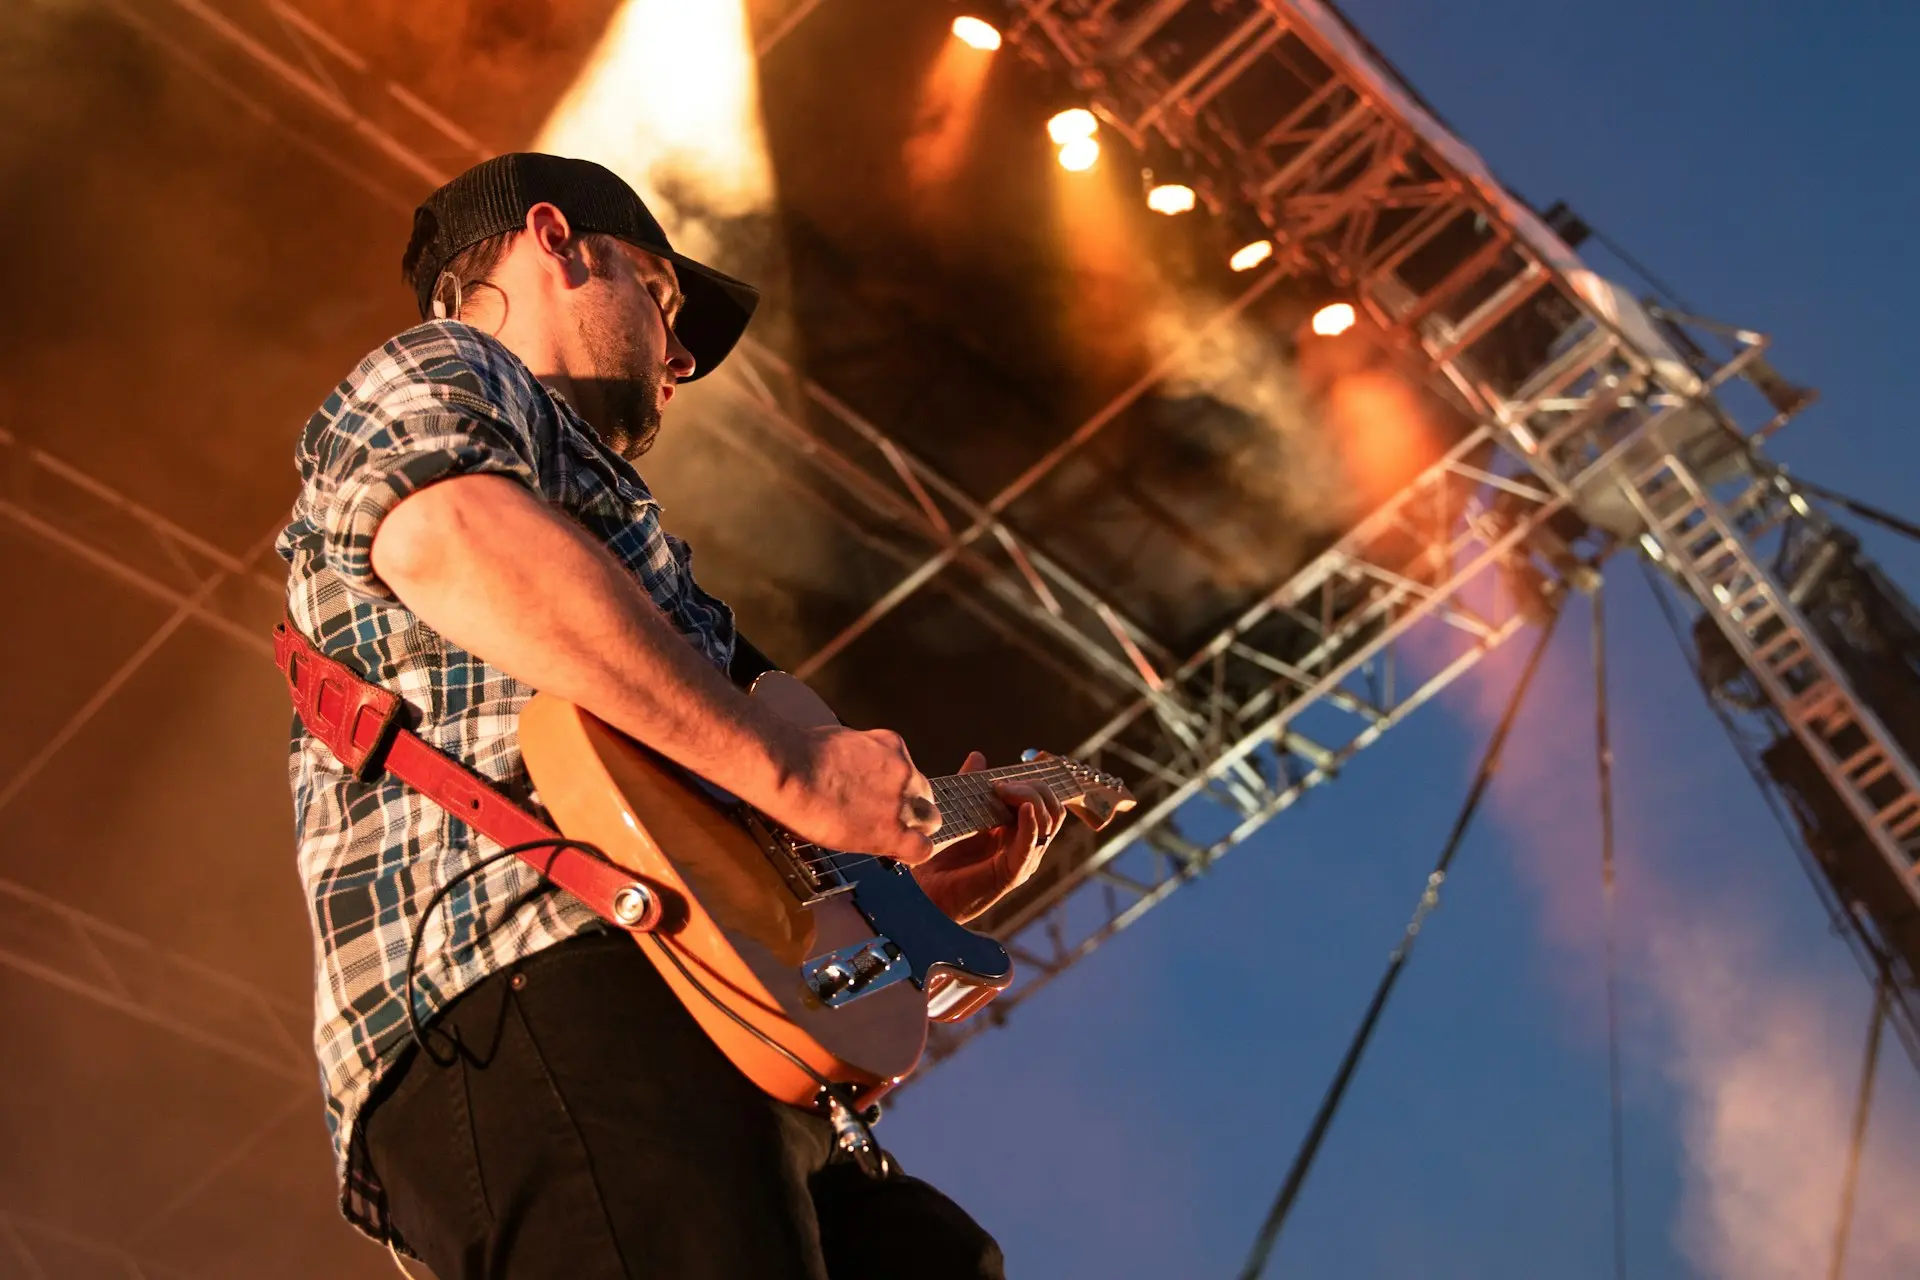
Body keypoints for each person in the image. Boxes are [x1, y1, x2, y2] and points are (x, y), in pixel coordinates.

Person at [276, 153, 1063, 1279]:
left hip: (690, 1012)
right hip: (530, 984)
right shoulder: (448, 362)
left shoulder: (618, 541)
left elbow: (710, 838)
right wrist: (794, 770)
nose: (681, 352)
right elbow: (442, 534)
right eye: (661, 293)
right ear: (557, 240)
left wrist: (890, 913)